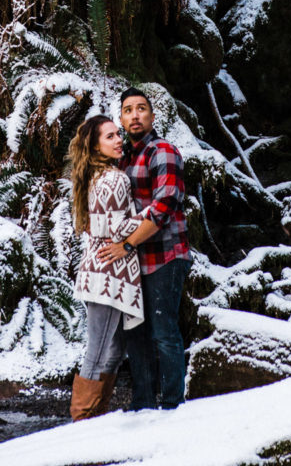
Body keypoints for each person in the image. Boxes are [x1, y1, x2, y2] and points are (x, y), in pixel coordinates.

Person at [97, 87, 191, 410]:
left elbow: (163, 208)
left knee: (164, 331)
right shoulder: (121, 159)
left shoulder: (162, 152)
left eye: (141, 109)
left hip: (165, 255)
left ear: (152, 116)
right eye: (127, 110)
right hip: (133, 262)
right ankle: (143, 405)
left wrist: (125, 243)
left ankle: (173, 406)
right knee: (135, 334)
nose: (134, 115)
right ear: (121, 118)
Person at [67, 113, 145, 421]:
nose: (118, 140)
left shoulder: (93, 176)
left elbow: (96, 226)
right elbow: (117, 229)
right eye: (110, 136)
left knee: (112, 351)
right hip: (110, 273)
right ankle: (81, 423)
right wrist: (150, 213)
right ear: (96, 146)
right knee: (99, 352)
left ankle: (94, 419)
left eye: (118, 135)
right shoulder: (115, 178)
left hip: (97, 271)